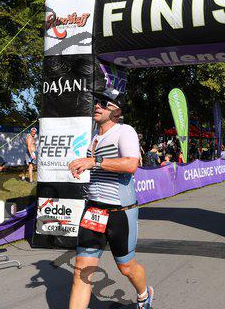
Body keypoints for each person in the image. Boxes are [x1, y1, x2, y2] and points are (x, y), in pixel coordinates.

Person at [68, 88, 153, 309]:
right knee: (82, 270)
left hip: (119, 211)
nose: (98, 105)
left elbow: (131, 164)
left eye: (105, 103)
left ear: (117, 111)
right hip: (94, 210)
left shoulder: (125, 131)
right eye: (97, 101)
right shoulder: (94, 136)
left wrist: (94, 162)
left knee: (126, 267)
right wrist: (81, 166)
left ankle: (144, 294)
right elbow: (97, 167)